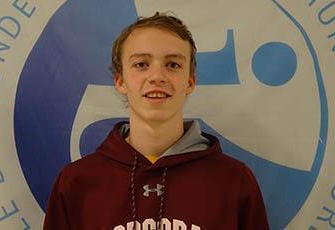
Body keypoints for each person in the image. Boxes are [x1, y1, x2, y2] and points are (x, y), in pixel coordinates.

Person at [43, 12, 269, 230]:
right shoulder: (77, 183)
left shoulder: (234, 181)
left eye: (172, 64)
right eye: (141, 64)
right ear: (120, 81)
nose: (157, 76)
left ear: (190, 81)